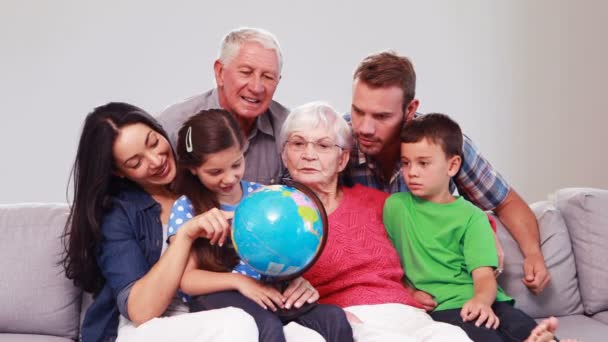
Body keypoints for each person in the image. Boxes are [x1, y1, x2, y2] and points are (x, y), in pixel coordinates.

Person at [344, 51, 551, 295]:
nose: (365, 128)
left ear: (410, 109)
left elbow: (506, 201)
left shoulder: (441, 144)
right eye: (358, 111)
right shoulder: (334, 141)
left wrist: (533, 255)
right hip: (375, 282)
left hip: (445, 285)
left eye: (382, 116)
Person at [61, 102, 258, 341]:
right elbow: (141, 311)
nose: (155, 161)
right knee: (236, 323)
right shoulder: (117, 214)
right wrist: (185, 235)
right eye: (136, 162)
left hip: (210, 310)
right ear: (119, 172)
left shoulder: (208, 179)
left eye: (153, 142)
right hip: (146, 329)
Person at [279, 102, 472, 341]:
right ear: (285, 155)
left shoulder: (379, 203)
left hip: (407, 312)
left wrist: (486, 229)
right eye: (298, 144)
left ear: (342, 159)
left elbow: (439, 218)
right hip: (347, 319)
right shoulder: (277, 214)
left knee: (452, 335)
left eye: (323, 145)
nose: (309, 154)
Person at [166, 108, 354, 342]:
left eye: (236, 164)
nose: (229, 178)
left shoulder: (262, 195)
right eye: (215, 172)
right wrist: (241, 282)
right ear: (193, 169)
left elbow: (281, 252)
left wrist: (293, 278)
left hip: (266, 290)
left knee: (334, 317)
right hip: (217, 293)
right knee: (265, 326)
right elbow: (186, 279)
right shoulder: (187, 207)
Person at [382, 113, 558, 341]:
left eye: (423, 163)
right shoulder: (394, 207)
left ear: (452, 165)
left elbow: (484, 276)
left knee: (523, 325)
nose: (412, 172)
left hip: (488, 299)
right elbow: (385, 263)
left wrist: (482, 302)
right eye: (406, 163)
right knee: (484, 335)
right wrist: (410, 291)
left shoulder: (472, 216)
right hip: (445, 308)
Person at [158, 27, 288, 185]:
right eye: (246, 72)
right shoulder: (173, 126)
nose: (256, 87)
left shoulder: (289, 130)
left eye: (268, 77)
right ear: (220, 72)